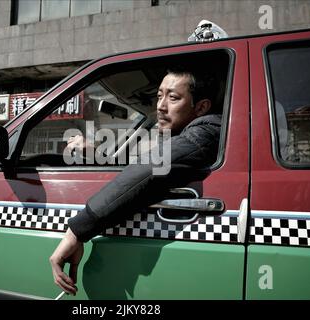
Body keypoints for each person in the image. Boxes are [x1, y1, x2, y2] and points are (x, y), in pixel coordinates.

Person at [49, 67, 222, 295]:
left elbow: (151, 168)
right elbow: (143, 163)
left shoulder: (207, 131)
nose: (160, 106)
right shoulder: (192, 135)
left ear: (201, 107)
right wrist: (97, 154)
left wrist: (77, 230)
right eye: (159, 96)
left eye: (173, 97)